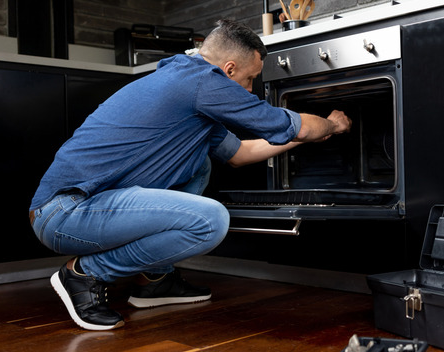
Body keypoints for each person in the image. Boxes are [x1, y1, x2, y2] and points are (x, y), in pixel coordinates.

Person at [28, 19, 352, 331]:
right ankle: (85, 275)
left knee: (200, 164)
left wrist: (295, 141)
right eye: (251, 78)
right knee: (211, 221)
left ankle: (155, 280)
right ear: (228, 70)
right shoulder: (203, 82)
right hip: (65, 213)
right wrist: (332, 124)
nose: (251, 90)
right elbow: (293, 124)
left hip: (82, 209)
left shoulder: (188, 87)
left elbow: (239, 154)